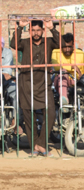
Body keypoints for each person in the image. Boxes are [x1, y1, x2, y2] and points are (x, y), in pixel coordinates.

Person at [10, 18, 59, 156]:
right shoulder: (25, 43)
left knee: (50, 113)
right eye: (33, 30)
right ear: (29, 31)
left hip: (44, 83)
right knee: (28, 115)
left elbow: (61, 43)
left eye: (38, 30)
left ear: (42, 30)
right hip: (26, 83)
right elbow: (13, 44)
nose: (36, 33)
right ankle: (35, 146)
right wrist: (20, 27)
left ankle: (42, 144)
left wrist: (52, 28)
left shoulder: (49, 42)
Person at [51, 33, 84, 107]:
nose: (67, 49)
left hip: (76, 81)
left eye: (69, 47)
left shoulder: (81, 54)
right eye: (64, 47)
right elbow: (57, 67)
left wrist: (79, 76)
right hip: (60, 81)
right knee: (63, 72)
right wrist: (72, 66)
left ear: (73, 45)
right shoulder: (56, 52)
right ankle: (64, 99)